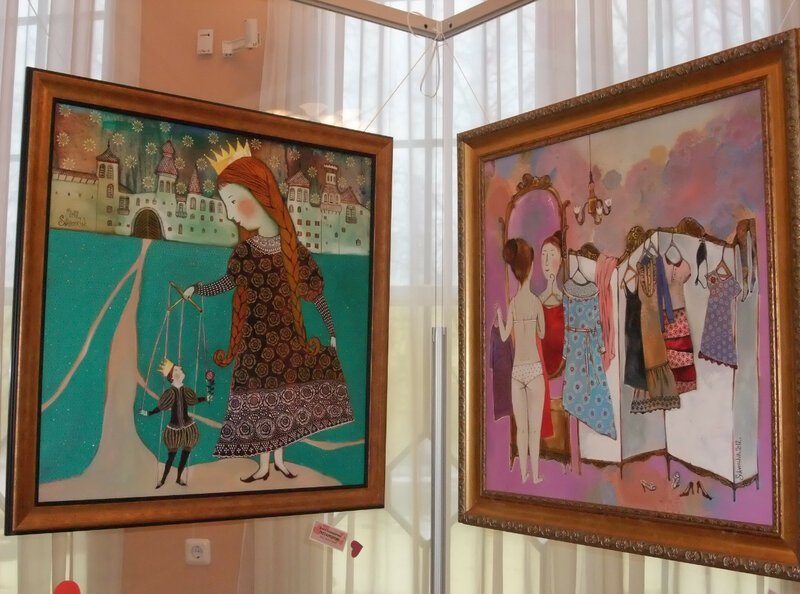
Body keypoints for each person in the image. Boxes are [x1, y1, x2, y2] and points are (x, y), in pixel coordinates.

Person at [184, 149, 353, 482]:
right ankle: (263, 466)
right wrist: (197, 289)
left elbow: (315, 295)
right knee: (260, 405)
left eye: (235, 202)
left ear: (261, 195)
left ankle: (280, 461)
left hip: (287, 344)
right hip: (254, 345)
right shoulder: (244, 253)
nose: (231, 214)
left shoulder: (294, 253)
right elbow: (226, 284)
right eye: (227, 205)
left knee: (283, 405)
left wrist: (331, 331)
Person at [495, 238, 546, 484]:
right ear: (531, 267)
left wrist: (499, 317)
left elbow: (505, 336)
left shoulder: (513, 304)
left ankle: (524, 475)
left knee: (522, 429)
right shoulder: (536, 302)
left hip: (517, 372)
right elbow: (542, 333)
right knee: (534, 429)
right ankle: (535, 476)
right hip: (534, 370)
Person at [139, 359, 210, 488]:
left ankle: (178, 478)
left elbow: (193, 400)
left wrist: (205, 398)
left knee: (185, 455)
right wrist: (149, 413)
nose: (181, 370)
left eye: (180, 369)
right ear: (172, 376)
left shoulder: (186, 391)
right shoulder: (170, 393)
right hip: (174, 429)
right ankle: (163, 480)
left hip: (188, 428)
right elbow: (161, 407)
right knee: (171, 457)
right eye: (177, 370)